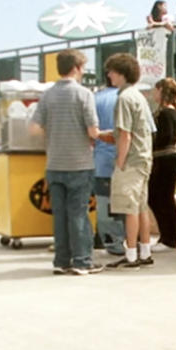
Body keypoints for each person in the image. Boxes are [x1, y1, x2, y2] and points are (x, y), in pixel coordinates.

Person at [29, 49, 102, 275]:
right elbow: (92, 130)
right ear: (77, 68)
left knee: (59, 215)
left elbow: (33, 128)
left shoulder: (47, 95)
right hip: (79, 163)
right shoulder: (84, 95)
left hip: (54, 163)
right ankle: (82, 261)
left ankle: (61, 260)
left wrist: (54, 135)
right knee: (79, 214)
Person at [104, 53, 155, 270]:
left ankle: (131, 254)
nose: (109, 75)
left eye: (112, 71)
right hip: (144, 157)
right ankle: (145, 250)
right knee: (141, 206)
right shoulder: (139, 97)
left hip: (132, 160)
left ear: (121, 73)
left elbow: (125, 134)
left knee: (129, 207)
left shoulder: (124, 98)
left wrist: (120, 161)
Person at [149, 77, 176, 251]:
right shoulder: (169, 112)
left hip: (165, 160)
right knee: (160, 198)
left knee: (161, 198)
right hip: (165, 159)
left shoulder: (165, 113)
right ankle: (167, 237)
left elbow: (166, 137)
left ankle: (169, 239)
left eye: (156, 90)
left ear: (162, 91)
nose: (154, 93)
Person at [92, 78, 125, 256]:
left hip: (102, 161)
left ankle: (111, 241)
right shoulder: (128, 97)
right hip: (126, 160)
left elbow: (90, 132)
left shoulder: (96, 99)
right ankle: (125, 241)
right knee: (124, 205)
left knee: (105, 204)